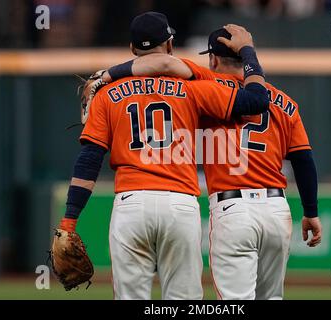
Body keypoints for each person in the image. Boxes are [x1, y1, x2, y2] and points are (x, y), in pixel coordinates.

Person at [57, 12, 270, 300]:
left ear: (132, 50)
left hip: (130, 206)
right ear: (170, 45)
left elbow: (89, 161)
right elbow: (257, 103)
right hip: (179, 205)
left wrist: (69, 222)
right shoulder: (192, 87)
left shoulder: (107, 95)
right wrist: (249, 52)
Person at [100, 27, 321, 300]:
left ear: (213, 59)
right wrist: (311, 211)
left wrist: (106, 75)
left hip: (232, 208)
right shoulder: (286, 103)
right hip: (277, 209)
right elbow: (303, 159)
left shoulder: (205, 84)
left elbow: (163, 62)